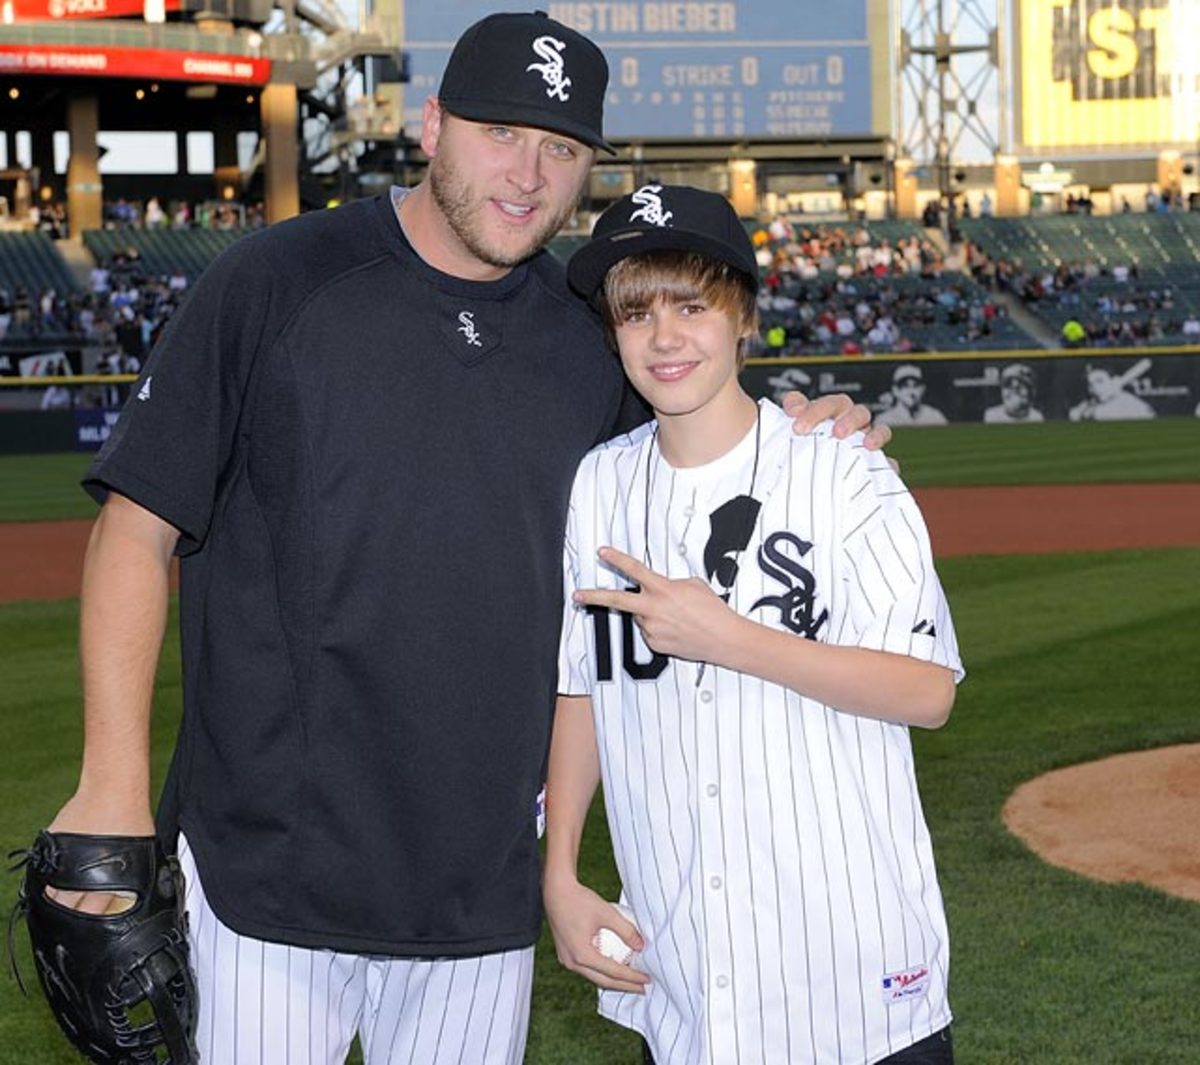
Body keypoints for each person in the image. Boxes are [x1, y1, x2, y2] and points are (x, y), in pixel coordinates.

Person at [42, 12, 887, 1065]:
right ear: (433, 125)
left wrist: (811, 420)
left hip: (480, 890)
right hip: (266, 870)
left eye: (564, 149)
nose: (531, 173)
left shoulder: (589, 342)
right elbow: (136, 529)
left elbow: (708, 440)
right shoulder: (275, 284)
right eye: (503, 133)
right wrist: (113, 788)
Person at [543, 185, 963, 1064]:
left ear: (743, 316)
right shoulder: (599, 487)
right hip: (686, 976)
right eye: (637, 312)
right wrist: (561, 873)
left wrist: (730, 636)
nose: (664, 337)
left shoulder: (843, 472)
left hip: (856, 977)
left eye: (692, 305)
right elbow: (583, 688)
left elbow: (925, 692)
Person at [877, 363, 949, 426]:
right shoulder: (884, 420)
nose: (911, 392)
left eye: (915, 386)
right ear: (895, 390)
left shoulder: (934, 416)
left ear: (922, 389)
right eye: (905, 386)